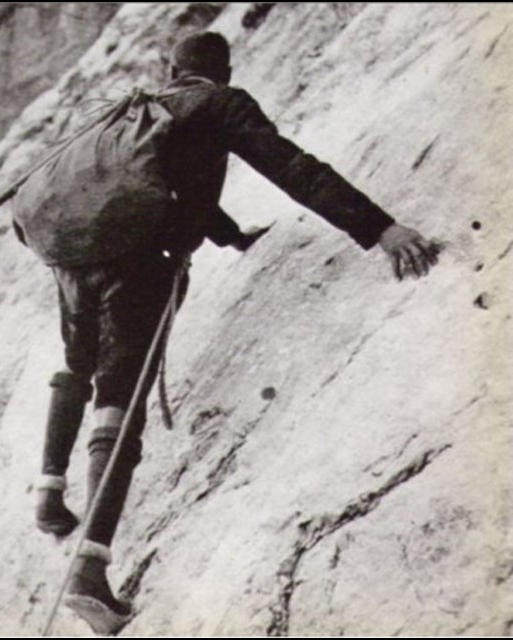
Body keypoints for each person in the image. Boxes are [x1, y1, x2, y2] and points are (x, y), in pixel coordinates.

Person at [33, 31, 440, 634]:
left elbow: (170, 179)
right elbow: (293, 169)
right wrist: (378, 228)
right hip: (138, 262)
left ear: (170, 69)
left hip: (71, 257)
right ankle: (88, 570)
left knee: (78, 364)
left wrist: (230, 236)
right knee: (120, 402)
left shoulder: (136, 109)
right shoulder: (220, 104)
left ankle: (48, 489)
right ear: (221, 72)